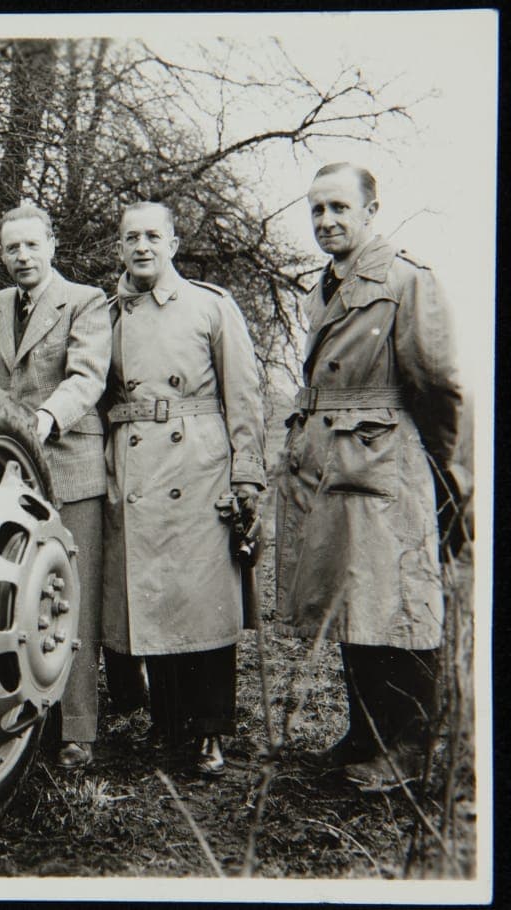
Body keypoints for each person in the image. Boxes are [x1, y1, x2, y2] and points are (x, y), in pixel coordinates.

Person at [0, 203, 144, 770]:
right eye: (12, 248)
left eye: (32, 246)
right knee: (16, 596)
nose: (22, 258)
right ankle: (21, 718)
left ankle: (78, 732)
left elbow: (88, 377)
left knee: (68, 599)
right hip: (10, 478)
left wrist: (46, 419)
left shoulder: (84, 301)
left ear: (51, 246)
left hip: (69, 465)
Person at [273, 163, 464, 791]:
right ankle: (365, 734)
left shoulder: (406, 281)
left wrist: (444, 475)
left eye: (339, 208)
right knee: (352, 601)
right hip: (335, 464)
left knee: (400, 603)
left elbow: (437, 384)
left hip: (388, 463)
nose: (327, 221)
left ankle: (408, 748)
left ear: (371, 210)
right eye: (317, 211)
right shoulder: (324, 286)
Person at [101, 201, 266, 777]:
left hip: (197, 464)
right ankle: (166, 725)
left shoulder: (209, 306)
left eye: (152, 236)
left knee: (200, 600)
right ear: (118, 248)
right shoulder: (106, 313)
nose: (141, 246)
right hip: (132, 463)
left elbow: (243, 394)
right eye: (130, 237)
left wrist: (246, 473)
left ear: (173, 243)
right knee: (153, 595)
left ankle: (209, 732)